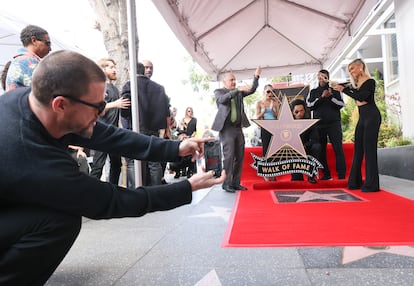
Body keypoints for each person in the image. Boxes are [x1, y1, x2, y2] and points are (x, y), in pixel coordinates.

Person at [0, 50, 225, 285]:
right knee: (59, 222)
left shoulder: (33, 100)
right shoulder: (34, 158)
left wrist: (175, 148)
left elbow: (112, 137)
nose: (103, 112)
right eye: (98, 107)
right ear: (61, 105)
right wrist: (186, 188)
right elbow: (108, 201)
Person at [333, 58, 381, 192]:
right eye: (349, 70)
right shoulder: (355, 83)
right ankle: (355, 182)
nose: (351, 72)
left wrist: (344, 90)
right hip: (363, 117)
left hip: (372, 116)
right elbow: (351, 91)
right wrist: (339, 87)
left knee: (370, 150)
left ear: (360, 67)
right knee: (358, 149)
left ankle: (372, 184)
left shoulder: (370, 82)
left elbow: (362, 97)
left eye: (352, 68)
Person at [212, 67, 261, 193]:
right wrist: (236, 90)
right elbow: (222, 100)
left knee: (239, 156)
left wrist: (256, 77)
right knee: (229, 156)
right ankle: (226, 183)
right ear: (224, 82)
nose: (234, 82)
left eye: (235, 80)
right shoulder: (219, 91)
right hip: (227, 129)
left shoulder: (239, 93)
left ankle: (235, 183)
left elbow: (252, 89)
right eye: (231, 80)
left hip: (238, 128)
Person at [120, 62, 170, 187]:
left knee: (133, 161)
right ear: (143, 71)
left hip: (136, 128)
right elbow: (165, 111)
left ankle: (137, 189)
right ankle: (156, 191)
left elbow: (125, 108)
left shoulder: (130, 85)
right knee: (154, 163)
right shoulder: (159, 88)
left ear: (132, 71)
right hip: (154, 130)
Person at [89, 58, 130, 185]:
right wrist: (115, 104)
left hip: (113, 133)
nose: (114, 70)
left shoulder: (114, 88)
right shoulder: (100, 87)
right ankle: (89, 196)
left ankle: (112, 191)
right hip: (101, 133)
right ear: (103, 69)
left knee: (116, 164)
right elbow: (95, 107)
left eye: (114, 67)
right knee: (98, 166)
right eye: (111, 67)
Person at [306, 69, 346, 180]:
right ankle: (326, 174)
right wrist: (322, 97)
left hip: (334, 124)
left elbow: (342, 104)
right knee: (321, 150)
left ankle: (341, 175)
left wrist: (331, 96)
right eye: (319, 76)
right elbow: (309, 105)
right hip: (319, 125)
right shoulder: (313, 91)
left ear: (328, 77)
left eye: (324, 76)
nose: (321, 78)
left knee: (338, 148)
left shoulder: (335, 90)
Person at [5, 24, 51, 91]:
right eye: (47, 43)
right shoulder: (28, 62)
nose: (50, 49)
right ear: (34, 40)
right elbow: (45, 90)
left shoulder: (20, 60)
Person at [290, 99, 321, 183]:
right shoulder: (288, 124)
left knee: (317, 146)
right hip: (293, 150)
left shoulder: (310, 123)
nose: (299, 114)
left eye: (301, 111)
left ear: (304, 111)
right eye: (296, 112)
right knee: (296, 181)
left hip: (306, 147)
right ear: (292, 112)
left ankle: (311, 175)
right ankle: (296, 176)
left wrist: (304, 146)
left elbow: (315, 139)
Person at [255, 84, 279, 181]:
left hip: (274, 128)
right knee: (266, 150)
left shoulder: (275, 102)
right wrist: (263, 111)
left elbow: (278, 117)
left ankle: (273, 172)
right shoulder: (259, 103)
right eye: (268, 91)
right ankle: (266, 172)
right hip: (265, 128)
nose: (270, 94)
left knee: (274, 151)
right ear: (264, 92)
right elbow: (256, 118)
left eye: (272, 92)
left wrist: (273, 110)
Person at [178, 107, 198, 178]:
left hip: (191, 138)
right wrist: (183, 136)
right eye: (189, 111)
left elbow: (195, 130)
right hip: (183, 139)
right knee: (183, 154)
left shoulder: (194, 120)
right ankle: (183, 170)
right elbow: (180, 130)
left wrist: (191, 137)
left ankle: (190, 171)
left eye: (191, 111)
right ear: (186, 112)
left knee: (191, 154)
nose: (190, 113)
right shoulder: (182, 120)